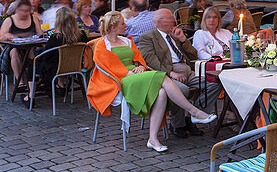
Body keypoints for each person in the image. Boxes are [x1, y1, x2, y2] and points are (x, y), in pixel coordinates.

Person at [87, 11, 216, 152]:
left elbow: (140, 60)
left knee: (161, 93)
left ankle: (153, 139)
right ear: (113, 27)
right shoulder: (102, 44)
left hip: (138, 76)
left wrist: (141, 67)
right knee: (162, 77)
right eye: (123, 23)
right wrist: (128, 72)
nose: (126, 25)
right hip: (119, 80)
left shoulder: (127, 41)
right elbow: (106, 66)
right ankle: (194, 112)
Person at [137, 9, 222, 138]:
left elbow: (193, 55)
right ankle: (178, 124)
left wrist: (183, 39)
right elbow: (151, 60)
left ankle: (193, 116)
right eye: (170, 18)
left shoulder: (175, 36)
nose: (174, 21)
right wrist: (171, 73)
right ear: (159, 21)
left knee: (215, 83)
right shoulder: (148, 37)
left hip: (188, 70)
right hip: (168, 74)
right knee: (181, 89)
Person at [0, 0, 45, 101]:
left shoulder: (33, 18)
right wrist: (8, 35)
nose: (25, 13)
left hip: (30, 46)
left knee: (34, 54)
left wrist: (38, 34)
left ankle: (34, 81)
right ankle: (20, 81)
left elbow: (40, 33)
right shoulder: (9, 20)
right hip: (13, 47)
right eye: (23, 11)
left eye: (27, 11)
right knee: (14, 52)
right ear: (17, 10)